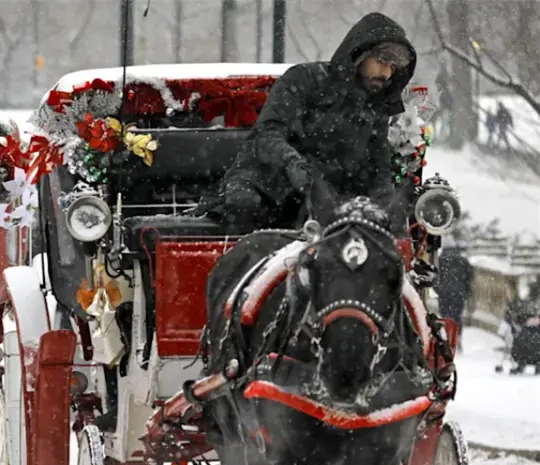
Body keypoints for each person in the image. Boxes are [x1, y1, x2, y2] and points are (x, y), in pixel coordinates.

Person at [198, 13, 417, 234]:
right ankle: (236, 264)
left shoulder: (375, 105)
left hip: (324, 199)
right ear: (359, 55)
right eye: (381, 62)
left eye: (392, 67)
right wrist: (294, 165)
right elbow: (267, 134)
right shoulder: (304, 79)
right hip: (264, 183)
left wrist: (389, 216)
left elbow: (379, 170)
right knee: (244, 204)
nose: (386, 74)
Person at [435, 241, 474, 332]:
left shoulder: (439, 261)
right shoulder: (463, 261)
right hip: (459, 294)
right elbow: (469, 279)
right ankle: (456, 336)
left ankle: (446, 335)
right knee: (457, 316)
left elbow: (435, 279)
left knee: (445, 316)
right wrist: (466, 293)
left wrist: (439, 291)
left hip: (444, 294)